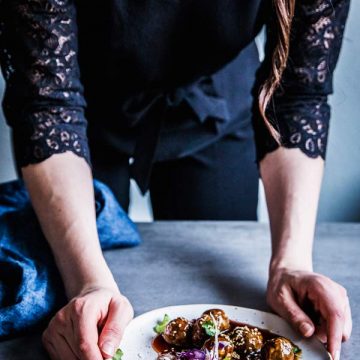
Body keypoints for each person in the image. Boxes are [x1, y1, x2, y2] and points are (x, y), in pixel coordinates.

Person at [0, 0, 352, 359]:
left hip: (214, 102)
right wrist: (87, 283)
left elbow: (298, 93)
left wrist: (291, 263)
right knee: (90, 317)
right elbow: (46, 101)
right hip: (78, 109)